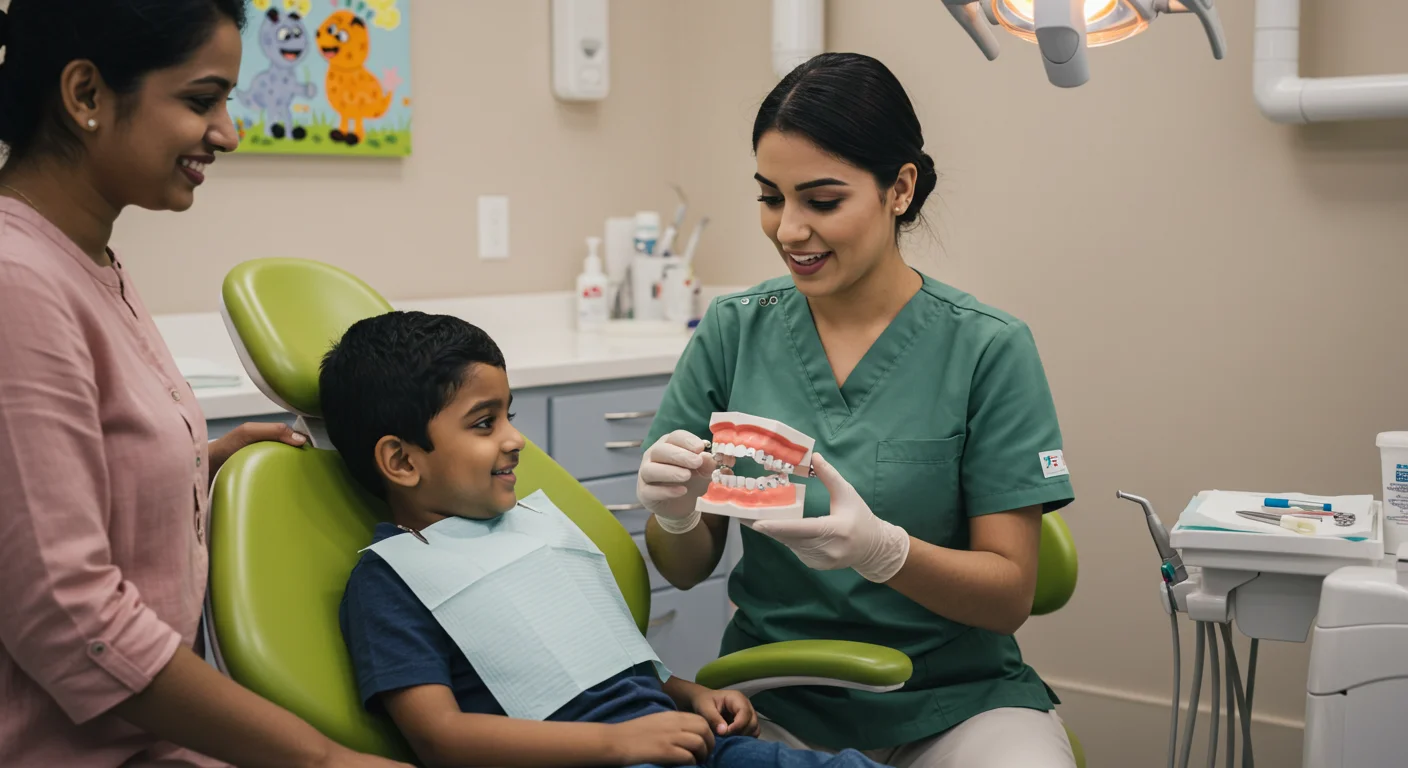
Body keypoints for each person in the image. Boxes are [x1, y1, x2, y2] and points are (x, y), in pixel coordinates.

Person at [636, 53, 1079, 768]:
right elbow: (684, 568)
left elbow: (1008, 597)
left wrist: (885, 552)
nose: (788, 231)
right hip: (772, 698)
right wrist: (677, 513)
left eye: (821, 200)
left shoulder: (987, 348)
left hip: (956, 704)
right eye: (770, 197)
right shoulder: (732, 331)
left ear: (899, 188)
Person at [0, 2, 407, 765]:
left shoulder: (88, 263)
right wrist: (324, 760)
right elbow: (70, 616)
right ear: (85, 94)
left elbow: (44, 485)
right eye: (199, 100)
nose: (227, 131)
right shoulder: (16, 283)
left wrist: (196, 460)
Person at [319, 310, 895, 768]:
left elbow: (608, 661)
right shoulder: (391, 580)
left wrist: (685, 693)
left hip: (685, 743)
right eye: (483, 423)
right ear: (400, 460)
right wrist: (620, 745)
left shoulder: (536, 526)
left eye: (509, 415)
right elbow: (441, 739)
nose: (516, 439)